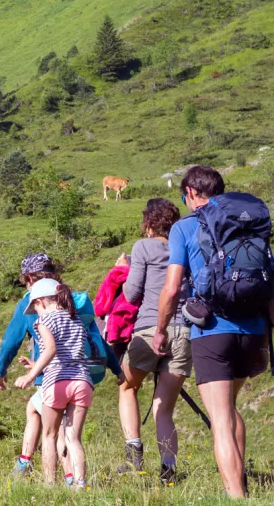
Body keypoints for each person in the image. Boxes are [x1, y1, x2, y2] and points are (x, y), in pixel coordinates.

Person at [153, 166, 274, 498]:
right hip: (253, 330)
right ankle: (243, 485)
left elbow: (173, 287)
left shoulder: (184, 227)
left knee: (220, 419)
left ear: (190, 193)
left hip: (211, 331)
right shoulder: (249, 226)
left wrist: (161, 329)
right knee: (231, 408)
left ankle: (237, 497)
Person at [117, 198, 189, 484]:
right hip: (184, 331)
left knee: (126, 387)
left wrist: (123, 270)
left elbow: (132, 294)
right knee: (164, 407)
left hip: (149, 328)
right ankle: (168, 469)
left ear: (148, 223)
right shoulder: (184, 246)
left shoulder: (142, 247)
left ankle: (134, 455)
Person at [14, 279, 92, 489]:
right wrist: (34, 365)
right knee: (73, 438)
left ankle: (50, 486)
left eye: (35, 308)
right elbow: (70, 352)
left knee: (49, 435)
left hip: (57, 382)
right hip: (82, 381)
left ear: (41, 302)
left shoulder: (44, 321)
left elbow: (50, 350)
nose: (36, 314)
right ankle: (80, 484)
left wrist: (30, 377)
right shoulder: (76, 320)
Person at [0, 254, 59, 476]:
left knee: (55, 432)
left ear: (30, 277)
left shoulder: (31, 301)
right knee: (34, 408)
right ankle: (25, 462)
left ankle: (63, 481)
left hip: (49, 373)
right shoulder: (67, 295)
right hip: (79, 373)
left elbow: (11, 341)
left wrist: (0, 371)